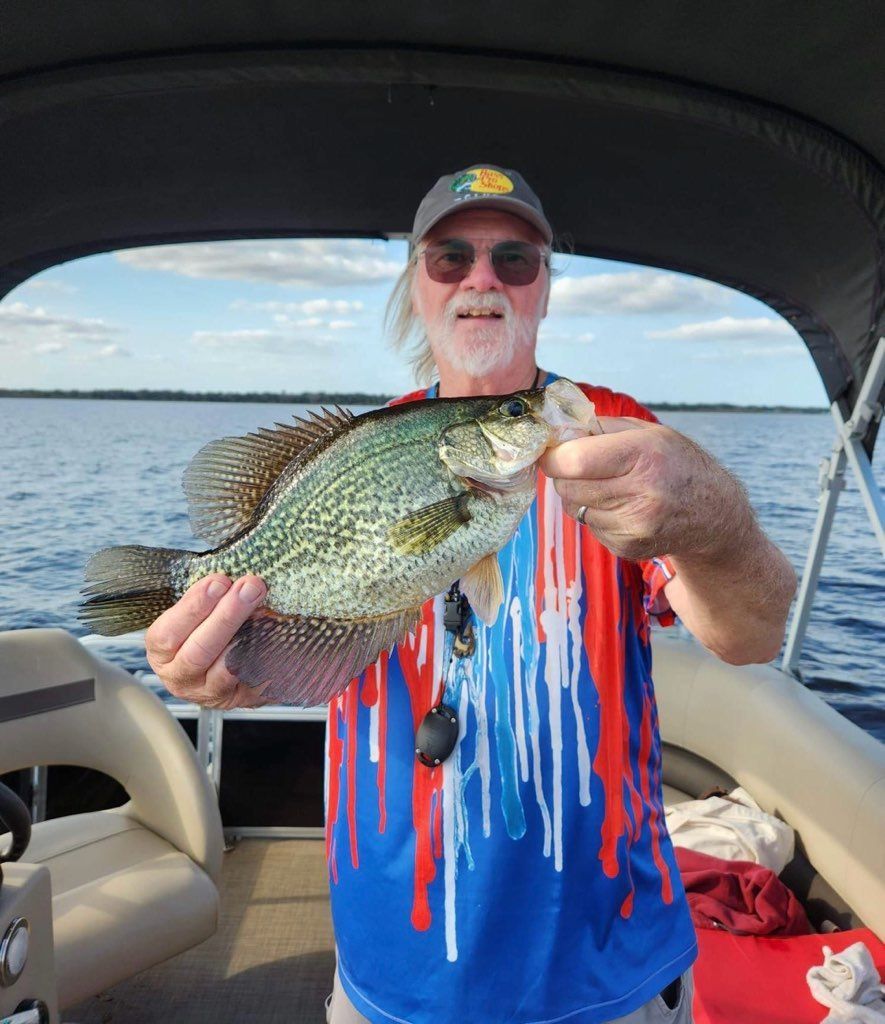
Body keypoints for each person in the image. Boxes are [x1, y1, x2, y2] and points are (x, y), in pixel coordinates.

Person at [145, 164, 797, 1024]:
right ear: (415, 287)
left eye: (514, 260)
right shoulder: (359, 447)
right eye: (450, 257)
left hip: (602, 963)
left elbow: (749, 637)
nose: (481, 279)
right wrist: (224, 669)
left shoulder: (621, 444)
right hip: (392, 961)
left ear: (544, 287)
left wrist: (716, 520)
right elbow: (284, 663)